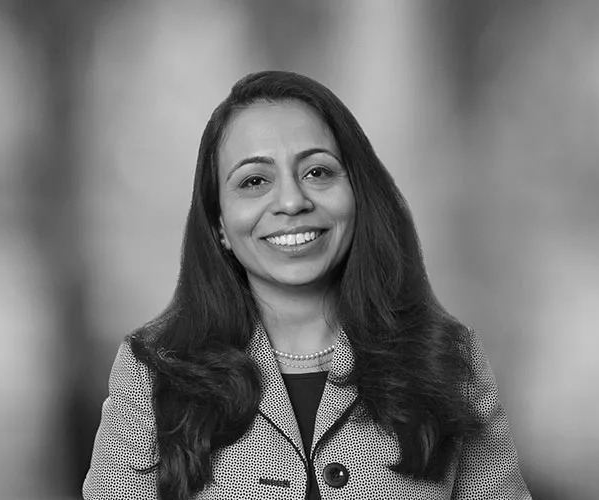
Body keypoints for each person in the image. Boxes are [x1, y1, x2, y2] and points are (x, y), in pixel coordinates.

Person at [82, 71, 532, 500]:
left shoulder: (448, 362)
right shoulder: (153, 373)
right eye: (254, 181)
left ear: (358, 194)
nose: (292, 201)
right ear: (219, 224)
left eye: (318, 172)